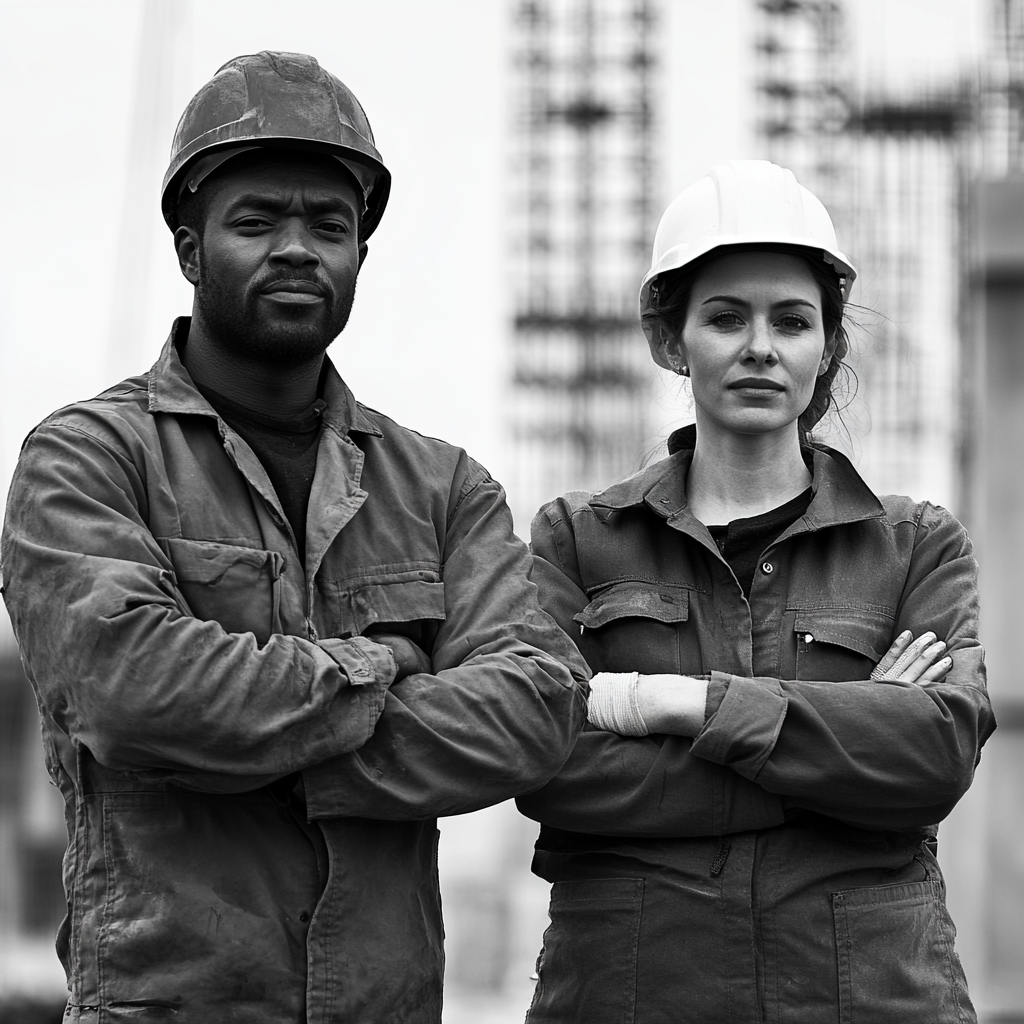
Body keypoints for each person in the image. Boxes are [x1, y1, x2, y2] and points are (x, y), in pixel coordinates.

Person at [0, 51, 587, 1024]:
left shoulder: (442, 489)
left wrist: (239, 743)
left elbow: (533, 709)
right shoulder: (88, 459)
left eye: (329, 223)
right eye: (257, 219)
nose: (297, 248)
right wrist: (380, 666)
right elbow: (129, 690)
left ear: (361, 251)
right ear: (189, 249)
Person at [517, 160, 995, 1024]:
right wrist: (843, 750)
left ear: (829, 344)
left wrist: (682, 706)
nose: (760, 347)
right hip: (635, 995)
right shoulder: (577, 542)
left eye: (793, 320)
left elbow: (933, 759)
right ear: (672, 339)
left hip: (869, 999)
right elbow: (548, 766)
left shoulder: (913, 545)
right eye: (726, 317)